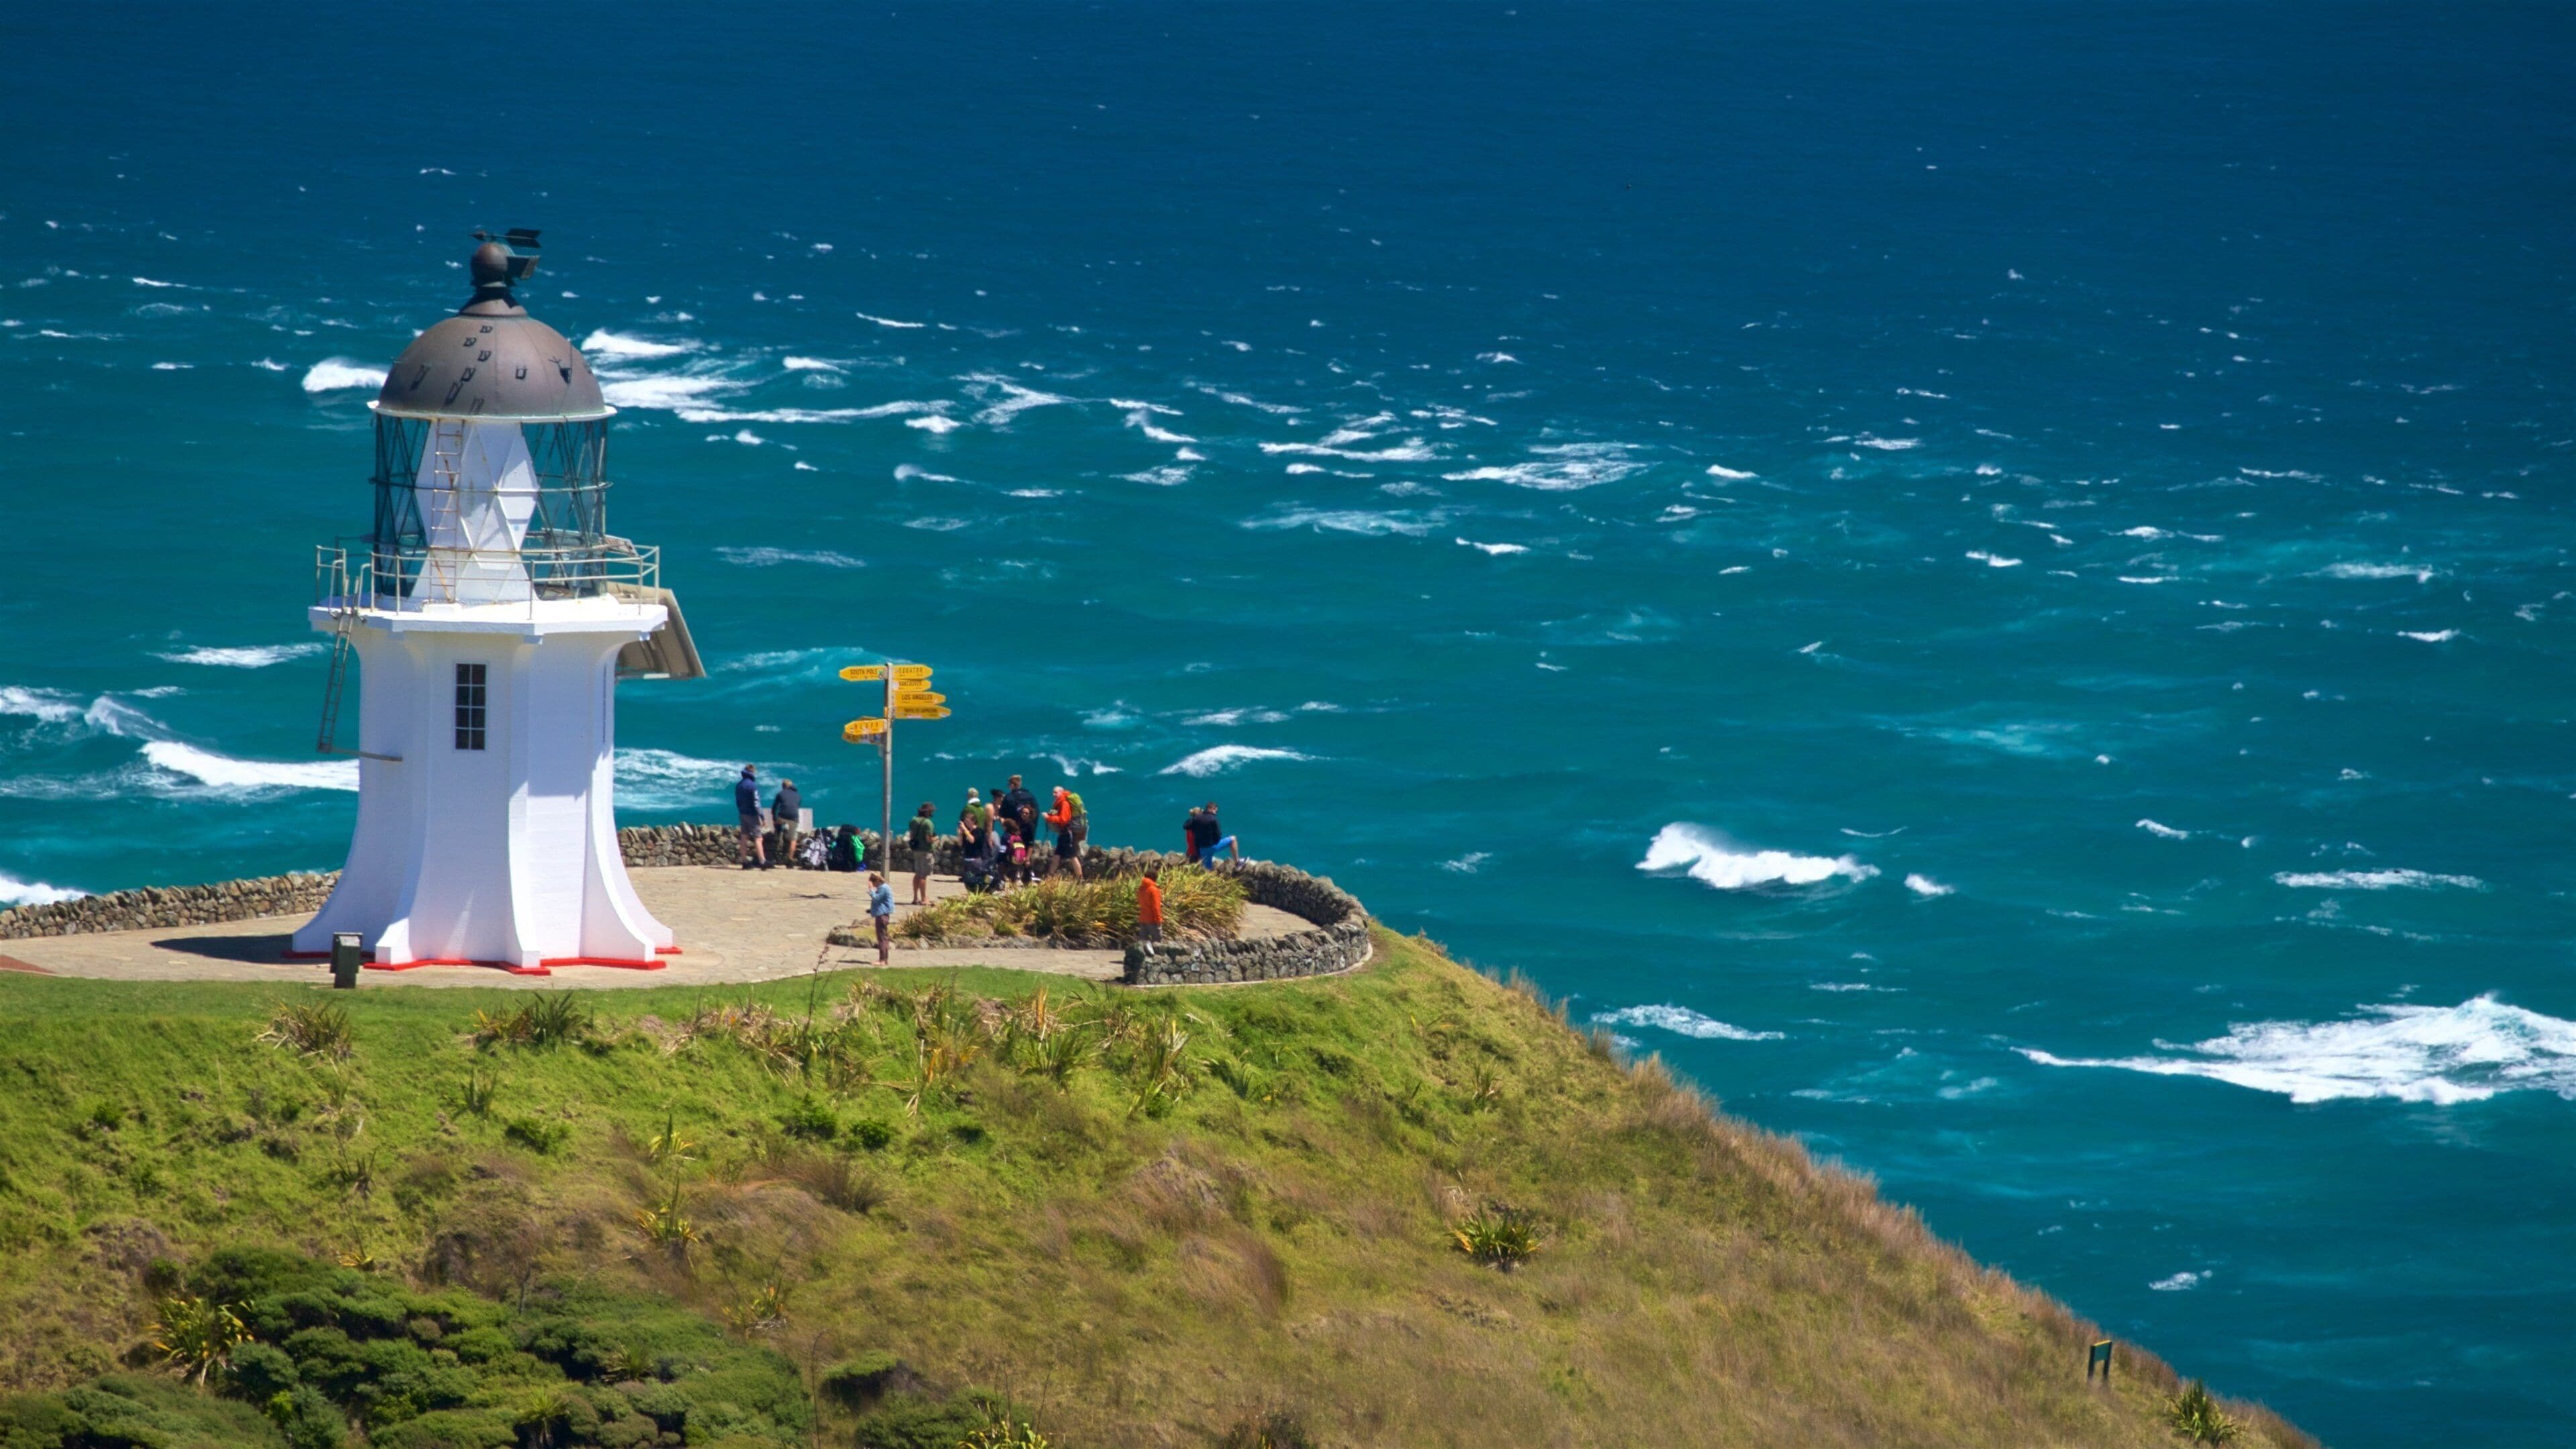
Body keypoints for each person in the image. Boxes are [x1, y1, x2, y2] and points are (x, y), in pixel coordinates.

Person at [1046, 786, 1087, 880]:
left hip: (1067, 833)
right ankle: (1049, 876)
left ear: (1061, 792)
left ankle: (1080, 878)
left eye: (1056, 792)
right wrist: (1050, 815)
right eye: (1053, 793)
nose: (1054, 795)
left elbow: (1064, 819)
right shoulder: (1059, 803)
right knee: (1057, 854)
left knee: (1073, 856)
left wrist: (1049, 818)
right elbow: (1055, 814)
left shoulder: (1064, 803)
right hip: (1063, 833)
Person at [735, 765, 769, 869]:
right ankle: (763, 861)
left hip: (742, 813)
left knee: (744, 837)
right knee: (758, 838)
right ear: (752, 772)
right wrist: (762, 817)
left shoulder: (739, 785)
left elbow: (738, 800)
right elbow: (756, 803)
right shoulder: (753, 786)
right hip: (752, 815)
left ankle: (744, 861)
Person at [906, 802, 938, 904]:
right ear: (928, 812)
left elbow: (911, 836)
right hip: (926, 851)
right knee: (923, 875)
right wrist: (936, 838)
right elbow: (928, 839)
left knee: (917, 874)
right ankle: (924, 898)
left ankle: (915, 898)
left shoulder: (913, 821)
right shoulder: (928, 823)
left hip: (916, 850)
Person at [770, 777, 803, 866]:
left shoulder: (780, 794)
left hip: (783, 816)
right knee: (793, 839)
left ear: (783, 787)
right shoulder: (798, 795)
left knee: (778, 824)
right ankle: (790, 859)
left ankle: (778, 834)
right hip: (794, 818)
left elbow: (775, 808)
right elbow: (797, 806)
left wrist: (774, 820)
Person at [865, 871, 894, 965]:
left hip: (882, 916)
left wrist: (871, 890)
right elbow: (880, 903)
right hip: (882, 915)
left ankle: (882, 960)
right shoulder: (883, 888)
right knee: (884, 938)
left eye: (874, 884)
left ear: (877, 881)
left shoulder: (883, 888)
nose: (874, 886)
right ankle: (885, 959)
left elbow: (877, 899)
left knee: (882, 938)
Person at [1197, 801, 1240, 865]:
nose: (1216, 813)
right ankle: (1238, 863)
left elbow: (1186, 826)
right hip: (1211, 847)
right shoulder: (1214, 819)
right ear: (1211, 809)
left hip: (1201, 848)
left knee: (1208, 869)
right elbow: (1218, 836)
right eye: (1215, 811)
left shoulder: (1197, 818)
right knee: (1233, 839)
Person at [1134, 863, 1163, 953]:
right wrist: (1159, 920)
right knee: (1157, 942)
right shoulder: (1154, 890)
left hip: (1143, 918)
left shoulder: (1141, 888)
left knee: (1143, 943)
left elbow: (1140, 902)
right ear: (1155, 877)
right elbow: (1156, 907)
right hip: (1152, 920)